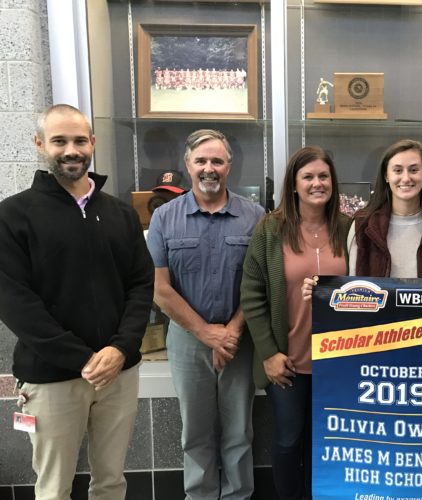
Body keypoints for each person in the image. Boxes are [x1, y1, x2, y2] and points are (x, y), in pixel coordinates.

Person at [0, 104, 154, 499]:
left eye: (79, 141)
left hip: (118, 373)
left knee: (111, 482)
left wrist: (121, 349)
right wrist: (83, 358)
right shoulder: (12, 216)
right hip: (52, 376)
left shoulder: (120, 214)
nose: (71, 150)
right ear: (40, 144)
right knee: (54, 488)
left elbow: (141, 285)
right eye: (59, 141)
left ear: (93, 143)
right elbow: (15, 302)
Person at [146, 129, 264, 499]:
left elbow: (259, 284)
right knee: (195, 433)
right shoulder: (164, 218)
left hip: (239, 339)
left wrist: (230, 331)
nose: (208, 168)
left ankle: (237, 495)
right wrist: (206, 333)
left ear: (229, 166)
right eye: (201, 161)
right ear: (188, 165)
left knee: (239, 432)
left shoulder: (256, 217)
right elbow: (159, 289)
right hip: (186, 341)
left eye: (217, 161)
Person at [241, 146, 350, 500]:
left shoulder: (349, 229)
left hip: (337, 361)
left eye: (323, 176)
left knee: (326, 442)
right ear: (293, 184)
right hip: (287, 361)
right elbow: (252, 294)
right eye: (308, 177)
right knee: (289, 439)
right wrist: (268, 354)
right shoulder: (270, 230)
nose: (317, 183)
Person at [347, 139, 422, 278]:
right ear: (386, 176)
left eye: (413, 170)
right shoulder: (362, 225)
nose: (406, 178)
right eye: (398, 170)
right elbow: (352, 285)